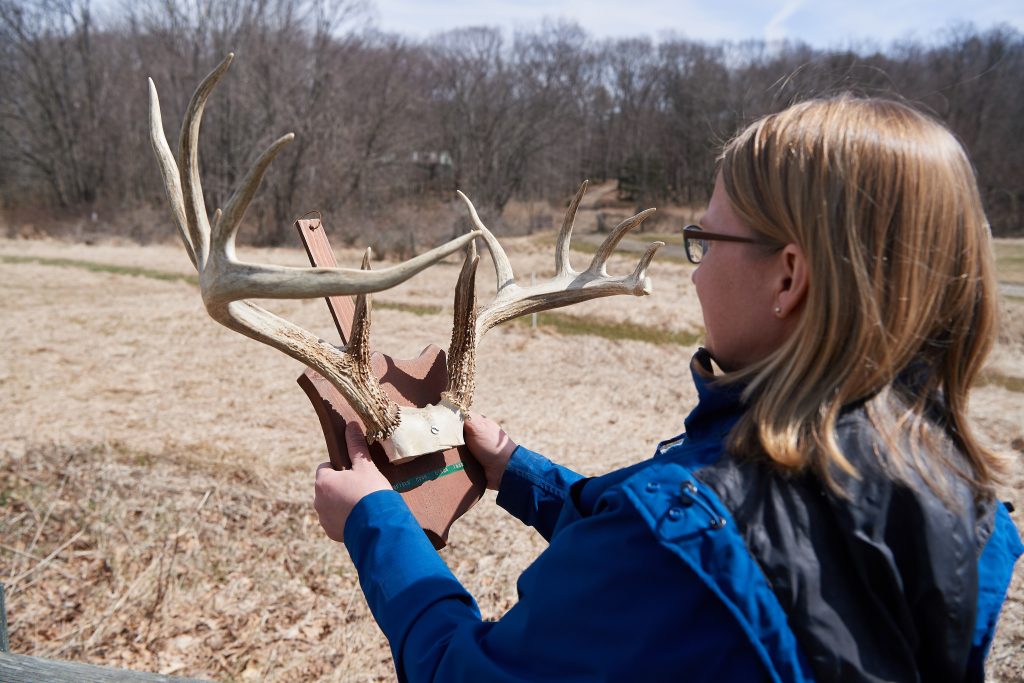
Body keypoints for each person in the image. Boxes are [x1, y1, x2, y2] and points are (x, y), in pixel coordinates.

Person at [313, 95, 1023, 682]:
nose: (694, 270)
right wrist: (518, 471)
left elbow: (465, 670)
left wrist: (375, 522)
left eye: (706, 240)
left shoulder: (684, 538)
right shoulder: (957, 500)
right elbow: (709, 559)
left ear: (789, 277)